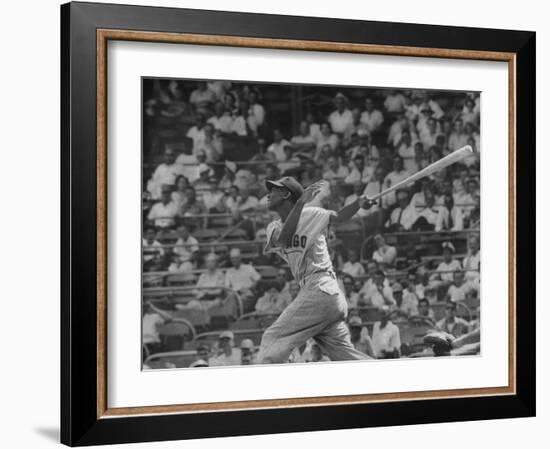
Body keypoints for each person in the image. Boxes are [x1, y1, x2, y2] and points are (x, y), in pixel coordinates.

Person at [258, 176, 376, 363]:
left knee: (272, 339)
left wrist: (358, 203)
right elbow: (283, 240)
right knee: (348, 359)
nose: (268, 194)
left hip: (321, 286)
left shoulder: (313, 213)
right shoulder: (273, 227)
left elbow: (339, 216)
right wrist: (300, 204)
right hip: (319, 294)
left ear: (287, 194)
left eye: (274, 190)